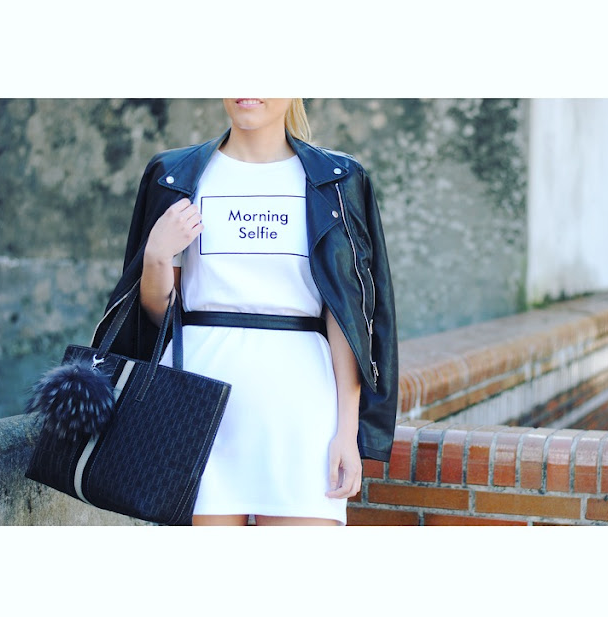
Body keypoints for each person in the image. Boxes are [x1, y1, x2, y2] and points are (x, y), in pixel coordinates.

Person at [93, 98, 398, 526]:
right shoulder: (176, 173)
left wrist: (347, 431)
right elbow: (161, 319)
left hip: (302, 405)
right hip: (193, 401)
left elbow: (347, 318)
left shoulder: (337, 179)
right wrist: (156, 257)